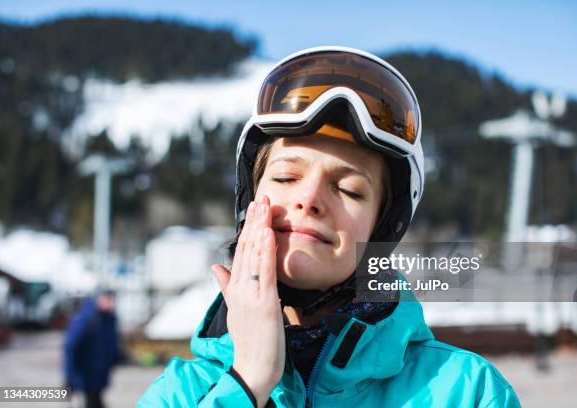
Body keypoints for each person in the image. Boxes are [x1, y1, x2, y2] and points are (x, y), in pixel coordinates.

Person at [138, 46, 520, 407]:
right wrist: (248, 381)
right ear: (251, 202)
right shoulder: (181, 395)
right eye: (287, 178)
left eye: (349, 190)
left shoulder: (465, 392)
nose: (310, 199)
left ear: (380, 229)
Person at [64, 289, 120, 408]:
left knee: (96, 401)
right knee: (92, 402)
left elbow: (111, 343)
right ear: (99, 299)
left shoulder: (108, 318)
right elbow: (71, 347)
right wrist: (70, 376)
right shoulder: (87, 319)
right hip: (87, 375)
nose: (111, 303)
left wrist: (115, 358)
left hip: (100, 373)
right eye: (108, 299)